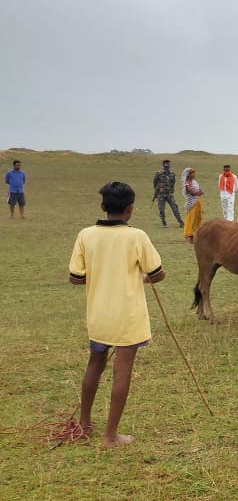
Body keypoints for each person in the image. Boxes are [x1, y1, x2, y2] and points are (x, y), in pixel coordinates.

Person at [68, 181, 165, 448]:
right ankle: (110, 436)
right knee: (122, 373)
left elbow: (76, 278)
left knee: (94, 365)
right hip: (127, 318)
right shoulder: (137, 236)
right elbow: (157, 274)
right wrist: (140, 277)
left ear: (103, 207)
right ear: (130, 210)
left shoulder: (85, 235)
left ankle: (85, 424)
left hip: (99, 316)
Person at [152, 159, 183, 228]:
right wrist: (158, 190)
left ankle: (180, 222)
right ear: (163, 165)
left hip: (169, 194)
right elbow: (154, 183)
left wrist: (171, 191)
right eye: (166, 165)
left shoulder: (172, 174)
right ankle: (164, 222)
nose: (167, 166)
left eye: (168, 165)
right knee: (161, 209)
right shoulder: (158, 173)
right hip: (161, 194)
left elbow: (173, 183)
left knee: (175, 208)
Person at [182, 169, 204, 243]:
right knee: (190, 219)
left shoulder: (195, 182)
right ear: (188, 174)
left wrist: (198, 192)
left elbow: (200, 191)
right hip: (191, 204)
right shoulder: (186, 183)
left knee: (197, 219)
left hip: (197, 202)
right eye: (192, 173)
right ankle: (189, 237)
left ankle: (196, 235)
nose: (194, 175)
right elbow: (191, 192)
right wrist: (198, 192)